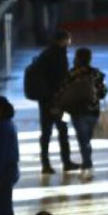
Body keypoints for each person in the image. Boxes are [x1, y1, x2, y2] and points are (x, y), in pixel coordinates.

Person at [36, 31, 77, 174]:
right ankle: (66, 161)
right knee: (63, 131)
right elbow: (60, 81)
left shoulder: (45, 54)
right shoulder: (59, 56)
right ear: (64, 40)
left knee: (46, 133)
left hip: (44, 102)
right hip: (58, 103)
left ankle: (45, 163)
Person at [64, 47, 108, 180]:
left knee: (83, 140)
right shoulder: (97, 74)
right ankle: (86, 163)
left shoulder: (72, 74)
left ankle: (87, 164)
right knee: (87, 139)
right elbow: (103, 92)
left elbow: (65, 91)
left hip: (77, 111)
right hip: (93, 111)